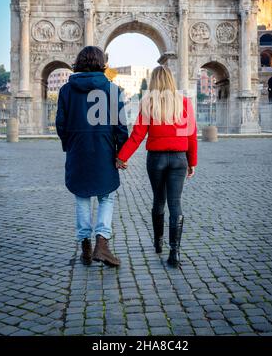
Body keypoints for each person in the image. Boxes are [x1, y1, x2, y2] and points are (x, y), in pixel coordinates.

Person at [116, 66, 197, 268]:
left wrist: (122, 157)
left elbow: (137, 135)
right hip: (179, 159)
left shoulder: (148, 103)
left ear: (153, 82)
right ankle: (175, 253)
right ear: (171, 80)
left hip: (156, 159)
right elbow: (192, 136)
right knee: (175, 203)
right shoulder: (184, 103)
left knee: (158, 200)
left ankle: (158, 242)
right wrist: (192, 162)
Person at [56, 47, 128, 267]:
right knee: (107, 196)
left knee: (81, 197)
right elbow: (121, 127)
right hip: (105, 151)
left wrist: (70, 145)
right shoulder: (114, 90)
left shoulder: (66, 90)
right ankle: (102, 243)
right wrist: (121, 154)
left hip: (78, 151)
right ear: (102, 63)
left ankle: (85, 247)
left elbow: (60, 124)